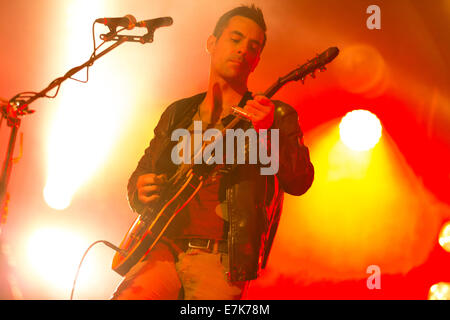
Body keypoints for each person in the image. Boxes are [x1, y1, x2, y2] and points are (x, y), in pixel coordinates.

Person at [111, 4, 314, 300]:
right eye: (235, 39)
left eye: (252, 46)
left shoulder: (275, 115)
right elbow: (141, 175)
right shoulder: (178, 113)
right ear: (212, 43)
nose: (243, 49)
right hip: (161, 247)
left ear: (257, 60)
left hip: (219, 259)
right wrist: (139, 190)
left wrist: (267, 133)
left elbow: (300, 181)